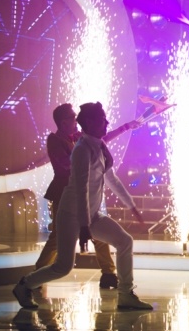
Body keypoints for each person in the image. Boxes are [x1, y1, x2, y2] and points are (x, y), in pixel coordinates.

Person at [13, 102, 153, 310]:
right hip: (71, 215)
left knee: (125, 241)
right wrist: (85, 226)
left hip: (91, 215)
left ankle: (125, 295)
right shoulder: (81, 149)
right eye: (102, 119)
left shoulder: (99, 146)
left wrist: (131, 206)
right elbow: (81, 188)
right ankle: (24, 285)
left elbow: (111, 179)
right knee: (63, 266)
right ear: (90, 122)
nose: (107, 122)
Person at [35, 103, 139, 289]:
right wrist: (88, 156)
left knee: (99, 235)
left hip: (83, 198)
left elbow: (100, 139)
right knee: (57, 240)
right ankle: (36, 275)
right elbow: (69, 165)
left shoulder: (79, 139)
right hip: (64, 195)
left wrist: (125, 128)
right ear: (63, 122)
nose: (76, 120)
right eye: (72, 117)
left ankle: (108, 273)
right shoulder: (57, 140)